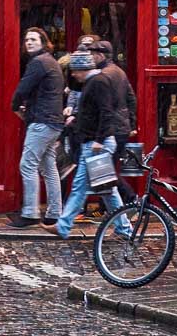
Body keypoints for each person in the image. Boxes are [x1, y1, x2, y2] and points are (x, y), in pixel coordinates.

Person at [55, 52, 130, 239]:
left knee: (79, 187)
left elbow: (106, 112)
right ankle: (124, 228)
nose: (73, 74)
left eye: (74, 70)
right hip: (95, 142)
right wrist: (75, 119)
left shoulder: (98, 83)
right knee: (107, 190)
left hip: (96, 145)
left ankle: (63, 226)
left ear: (83, 69)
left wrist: (99, 139)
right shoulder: (92, 82)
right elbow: (92, 113)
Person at [9, 27, 65, 227]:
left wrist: (15, 106)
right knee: (49, 167)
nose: (29, 43)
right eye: (26, 40)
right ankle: (55, 213)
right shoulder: (51, 61)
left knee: (28, 165)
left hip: (42, 122)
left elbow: (22, 89)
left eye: (33, 39)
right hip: (54, 122)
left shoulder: (38, 63)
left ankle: (30, 213)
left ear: (43, 42)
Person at [84, 38, 137, 203]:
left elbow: (105, 109)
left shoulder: (103, 76)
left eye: (93, 54)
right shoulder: (119, 72)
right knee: (107, 170)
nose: (91, 57)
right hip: (121, 127)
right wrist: (131, 124)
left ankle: (131, 199)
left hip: (112, 128)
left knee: (107, 171)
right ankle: (110, 206)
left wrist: (100, 136)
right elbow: (131, 98)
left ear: (101, 56)